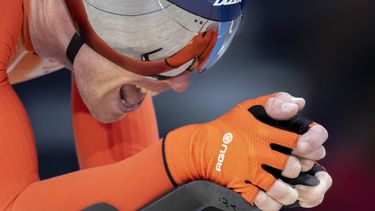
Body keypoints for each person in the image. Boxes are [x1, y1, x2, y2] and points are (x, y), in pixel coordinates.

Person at [0, 0, 332, 210]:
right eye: (153, 35)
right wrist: (197, 153)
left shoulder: (102, 48)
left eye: (205, 41)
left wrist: (257, 159)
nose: (177, 80)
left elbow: (128, 193)